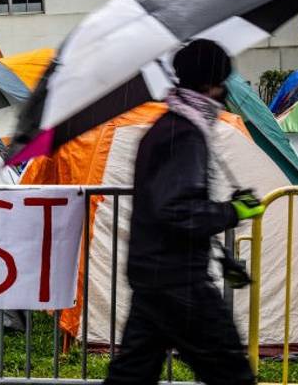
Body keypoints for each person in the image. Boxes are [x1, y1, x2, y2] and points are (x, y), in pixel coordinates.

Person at [103, 39, 266, 384]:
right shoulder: (184, 133)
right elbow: (177, 210)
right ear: (211, 84)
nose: (225, 92)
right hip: (180, 281)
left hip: (154, 278)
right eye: (223, 82)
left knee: (131, 376)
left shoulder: (169, 128)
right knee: (232, 374)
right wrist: (233, 211)